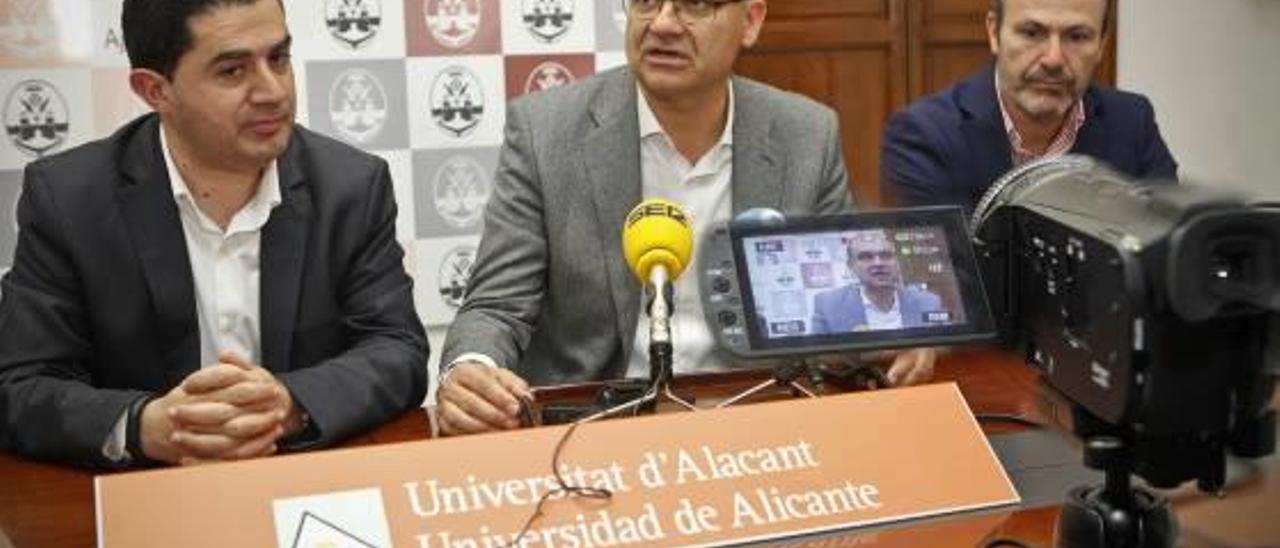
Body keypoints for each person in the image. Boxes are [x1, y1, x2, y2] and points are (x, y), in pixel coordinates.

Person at [436, 0, 939, 436]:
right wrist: (470, 369)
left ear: (751, 22)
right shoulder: (546, 132)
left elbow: (834, 312)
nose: (664, 24)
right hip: (596, 423)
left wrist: (881, 337)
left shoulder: (806, 133)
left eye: (695, 4)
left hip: (758, 412)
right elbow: (497, 306)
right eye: (648, 2)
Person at [0, 0, 428, 468]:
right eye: (232, 71)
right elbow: (23, 385)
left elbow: (396, 350)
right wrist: (143, 425)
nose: (272, 91)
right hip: (146, 497)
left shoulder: (350, 186)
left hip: (302, 484)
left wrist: (289, 405)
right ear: (155, 90)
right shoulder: (70, 198)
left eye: (279, 59)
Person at [882, 0, 1178, 212]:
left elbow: (1169, 252)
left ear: (1102, 44)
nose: (1053, 59)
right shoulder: (924, 135)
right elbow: (947, 286)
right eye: (1031, 33)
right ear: (994, 32)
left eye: (1077, 37)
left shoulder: (1132, 121)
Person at [810, 231, 943, 334]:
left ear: (898, 262)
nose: (878, 263)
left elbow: (944, 346)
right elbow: (816, 356)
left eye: (886, 256)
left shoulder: (929, 302)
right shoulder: (827, 304)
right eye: (866, 257)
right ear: (851, 266)